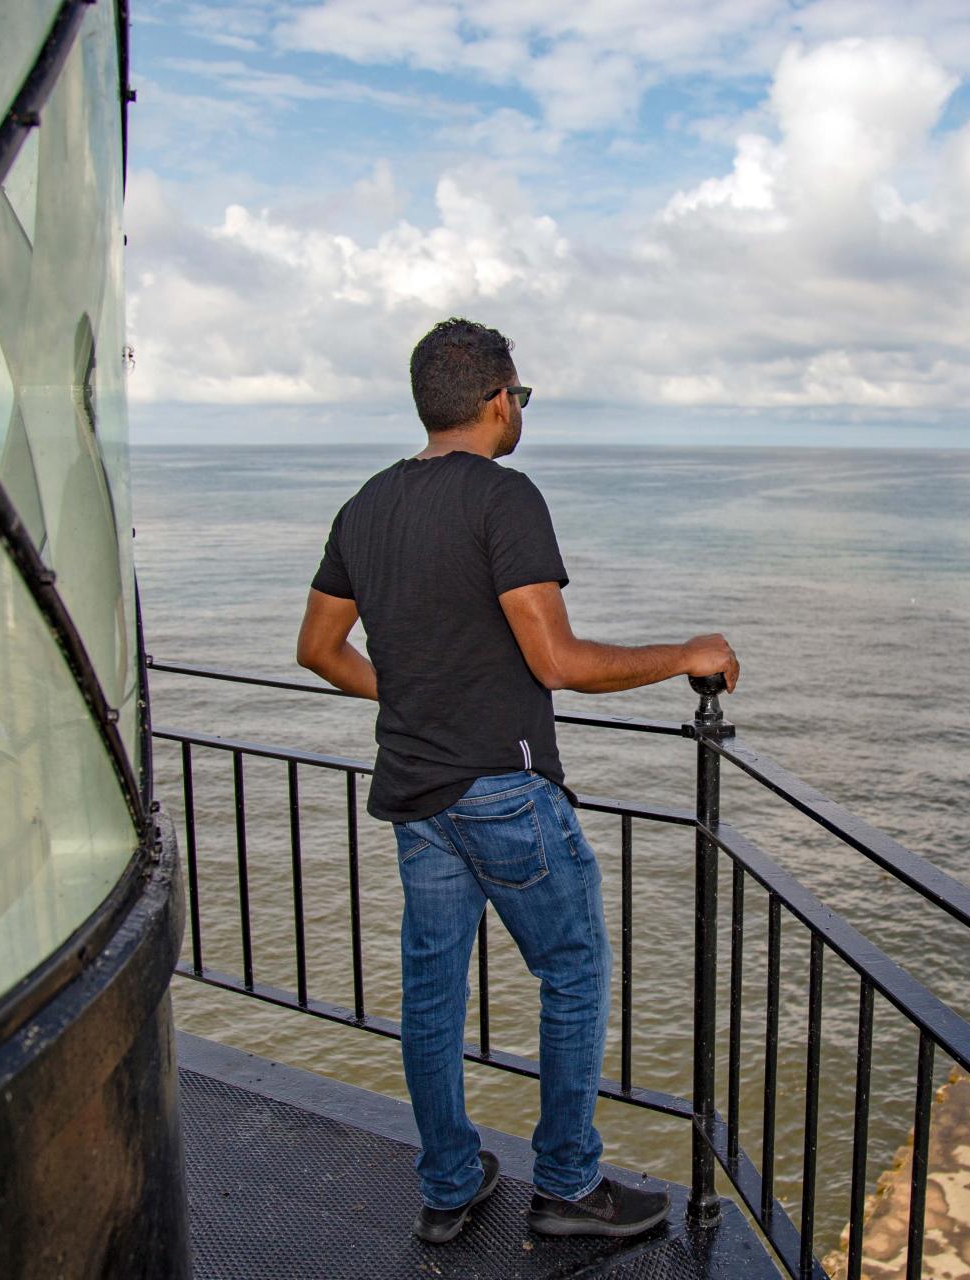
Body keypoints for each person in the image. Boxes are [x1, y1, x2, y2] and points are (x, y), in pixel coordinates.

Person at [296, 318, 740, 1246]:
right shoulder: (505, 498)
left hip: (415, 792)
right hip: (504, 788)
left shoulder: (365, 507)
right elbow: (558, 661)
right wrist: (685, 654)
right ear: (498, 401)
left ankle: (450, 1185)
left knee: (432, 996)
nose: (519, 412)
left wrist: (411, 688)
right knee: (573, 973)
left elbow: (319, 650)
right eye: (521, 398)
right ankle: (569, 1189)